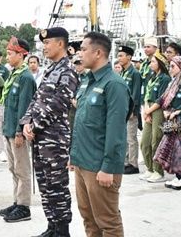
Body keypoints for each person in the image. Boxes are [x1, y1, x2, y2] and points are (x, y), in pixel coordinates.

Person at [70, 32, 129, 237]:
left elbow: (116, 130)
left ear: (97, 53)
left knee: (107, 221)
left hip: (100, 165)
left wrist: (108, 167)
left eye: (84, 49)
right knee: (88, 217)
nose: (80, 54)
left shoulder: (114, 84)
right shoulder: (87, 80)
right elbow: (82, 122)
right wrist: (73, 156)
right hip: (82, 162)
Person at [21, 27, 78, 237]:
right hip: (39, 138)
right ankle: (52, 226)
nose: (44, 47)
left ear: (60, 44)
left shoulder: (67, 70)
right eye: (43, 43)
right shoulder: (50, 70)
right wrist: (26, 122)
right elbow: (36, 100)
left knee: (57, 186)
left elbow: (59, 103)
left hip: (54, 139)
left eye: (47, 43)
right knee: (45, 185)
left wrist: (34, 126)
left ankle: (63, 230)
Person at [0, 36, 36, 223]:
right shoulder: (14, 74)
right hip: (9, 129)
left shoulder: (26, 77)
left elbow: (25, 108)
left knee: (22, 170)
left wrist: (20, 131)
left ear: (21, 55)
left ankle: (24, 206)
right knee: (13, 168)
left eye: (10, 53)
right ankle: (17, 201)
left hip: (17, 131)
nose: (7, 57)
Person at [155, 56, 181, 190]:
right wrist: (166, 110)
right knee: (171, 148)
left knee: (180, 149)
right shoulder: (173, 81)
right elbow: (164, 98)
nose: (170, 69)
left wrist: (177, 111)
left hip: (180, 119)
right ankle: (177, 176)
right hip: (171, 118)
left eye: (173, 66)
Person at [139, 51, 171, 183]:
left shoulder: (165, 78)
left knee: (156, 139)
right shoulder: (151, 77)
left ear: (160, 63)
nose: (150, 64)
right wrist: (146, 110)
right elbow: (146, 94)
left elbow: (162, 98)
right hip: (149, 108)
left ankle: (158, 171)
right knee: (145, 141)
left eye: (153, 61)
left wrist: (149, 111)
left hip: (157, 109)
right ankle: (150, 168)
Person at [118, 45, 142, 175]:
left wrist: (133, 110)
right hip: (122, 109)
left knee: (131, 137)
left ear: (129, 57)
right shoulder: (123, 72)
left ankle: (133, 164)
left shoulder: (135, 73)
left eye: (121, 55)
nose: (119, 58)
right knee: (124, 137)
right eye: (118, 55)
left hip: (130, 110)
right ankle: (126, 161)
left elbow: (136, 93)